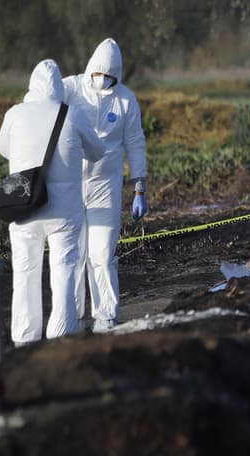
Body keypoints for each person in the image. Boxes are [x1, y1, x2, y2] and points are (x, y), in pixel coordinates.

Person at [0, 59, 105, 344]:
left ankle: (24, 338)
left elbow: (2, 148)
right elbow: (97, 152)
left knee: (24, 272)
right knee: (64, 271)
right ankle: (60, 335)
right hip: (64, 212)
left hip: (23, 206)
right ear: (59, 87)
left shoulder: (15, 114)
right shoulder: (73, 114)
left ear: (32, 85)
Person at [63, 37, 148, 332]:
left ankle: (105, 314)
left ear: (117, 75)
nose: (103, 80)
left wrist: (139, 187)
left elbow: (135, 143)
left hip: (105, 188)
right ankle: (70, 315)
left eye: (109, 76)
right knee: (73, 255)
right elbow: (43, 96)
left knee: (101, 252)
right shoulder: (72, 88)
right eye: (99, 73)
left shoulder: (125, 100)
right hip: (71, 185)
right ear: (90, 70)